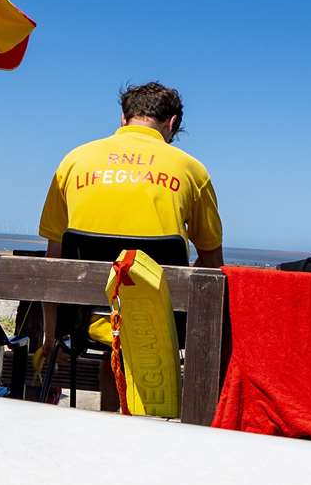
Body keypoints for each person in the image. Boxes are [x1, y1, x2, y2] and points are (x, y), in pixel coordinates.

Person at [37, 82, 224, 404]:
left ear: (123, 118)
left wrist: (51, 337)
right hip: (162, 326)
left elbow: (55, 261)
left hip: (90, 321)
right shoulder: (191, 169)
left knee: (114, 328)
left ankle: (112, 419)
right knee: (136, 318)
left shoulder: (75, 161)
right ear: (173, 122)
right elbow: (211, 259)